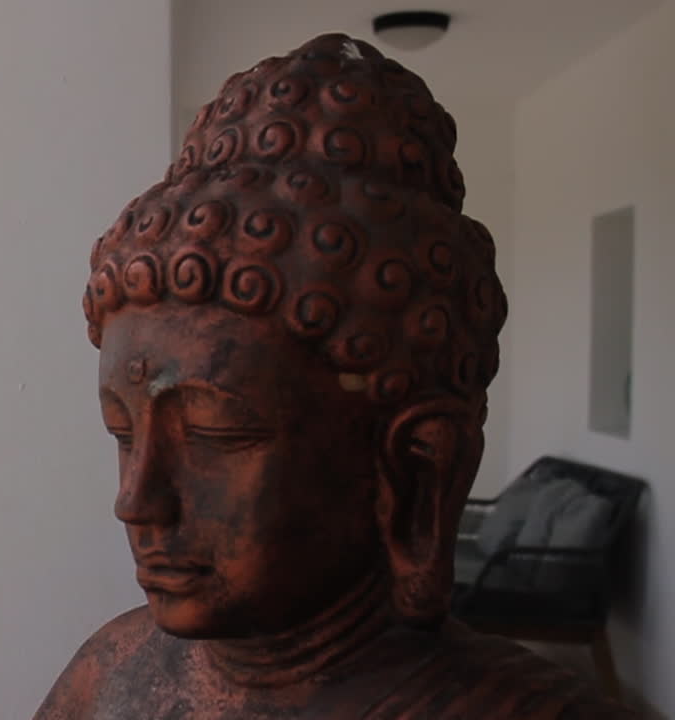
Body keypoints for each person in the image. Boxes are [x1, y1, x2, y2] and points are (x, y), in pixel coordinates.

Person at [34, 33, 635, 719]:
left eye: (211, 433)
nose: (138, 501)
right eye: (122, 431)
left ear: (416, 472)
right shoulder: (108, 674)